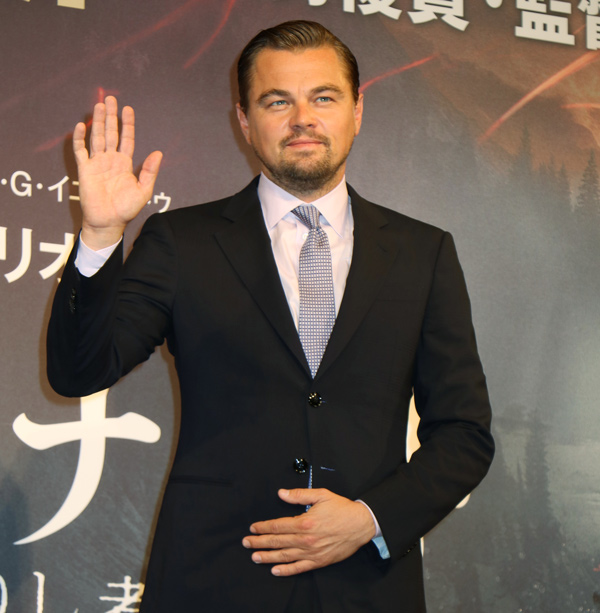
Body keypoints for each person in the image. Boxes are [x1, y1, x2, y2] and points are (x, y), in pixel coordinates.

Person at [47, 20, 494, 613]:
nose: (302, 119)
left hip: (367, 586)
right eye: (277, 101)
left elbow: (464, 433)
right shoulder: (183, 241)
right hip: (212, 582)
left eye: (324, 98)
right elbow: (79, 372)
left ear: (357, 110)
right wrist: (101, 236)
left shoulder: (422, 252)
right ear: (244, 119)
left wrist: (370, 518)